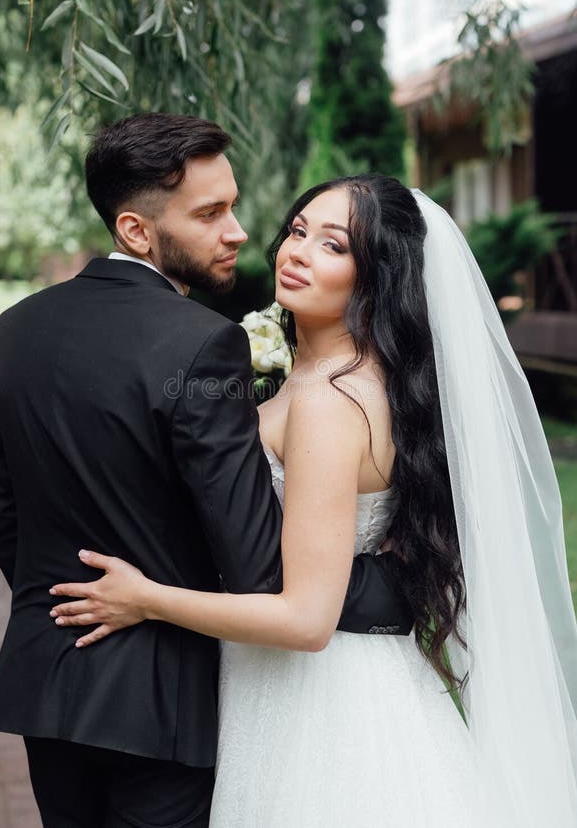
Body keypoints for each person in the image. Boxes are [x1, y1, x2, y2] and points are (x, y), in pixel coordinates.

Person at [50, 174, 577, 827]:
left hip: (325, 708)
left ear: (377, 276)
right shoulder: (319, 376)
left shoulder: (333, 402)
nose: (295, 252)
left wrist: (144, 599)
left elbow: (306, 619)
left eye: (332, 246)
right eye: (298, 231)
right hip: (296, 682)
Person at [0, 116, 413, 828]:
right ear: (137, 231)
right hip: (166, 707)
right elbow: (251, 565)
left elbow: (9, 528)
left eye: (233, 205)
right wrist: (392, 588)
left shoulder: (15, 329)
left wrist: (66, 604)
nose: (240, 231)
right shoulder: (202, 344)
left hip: (49, 685)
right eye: (210, 214)